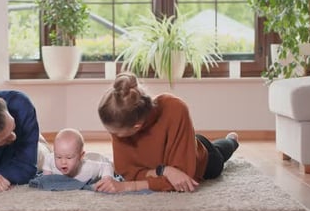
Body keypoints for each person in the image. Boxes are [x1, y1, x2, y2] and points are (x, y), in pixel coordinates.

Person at [95, 72, 239, 193]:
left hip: (201, 158)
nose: (114, 136)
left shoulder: (175, 108)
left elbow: (183, 179)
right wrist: (165, 171)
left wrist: (128, 186)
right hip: (179, 148)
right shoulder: (120, 119)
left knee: (220, 153)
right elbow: (128, 173)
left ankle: (232, 141)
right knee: (197, 144)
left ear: (137, 126)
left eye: (117, 134)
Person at [42, 128, 114, 183]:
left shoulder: (89, 168)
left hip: (97, 158)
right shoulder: (51, 160)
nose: (63, 162)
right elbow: (48, 159)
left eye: (69, 158)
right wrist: (47, 175)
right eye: (58, 157)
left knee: (113, 166)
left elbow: (106, 166)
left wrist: (106, 179)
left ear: (81, 156)